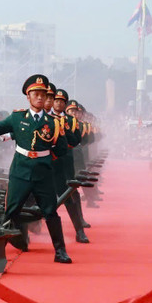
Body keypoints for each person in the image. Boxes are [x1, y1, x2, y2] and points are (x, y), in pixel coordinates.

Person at [0, 74, 72, 264]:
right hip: (20, 171)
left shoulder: (54, 123)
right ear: (28, 96)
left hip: (43, 173)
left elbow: (61, 149)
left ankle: (60, 251)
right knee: (11, 211)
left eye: (43, 94)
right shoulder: (18, 117)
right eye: (36, 94)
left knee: (50, 212)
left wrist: (45, 160)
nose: (40, 97)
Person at [51, 87, 90, 243]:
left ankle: (79, 230)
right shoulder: (45, 118)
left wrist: (62, 132)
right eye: (56, 100)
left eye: (62, 101)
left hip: (65, 162)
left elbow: (76, 140)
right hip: (47, 162)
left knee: (69, 195)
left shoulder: (70, 121)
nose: (59, 103)